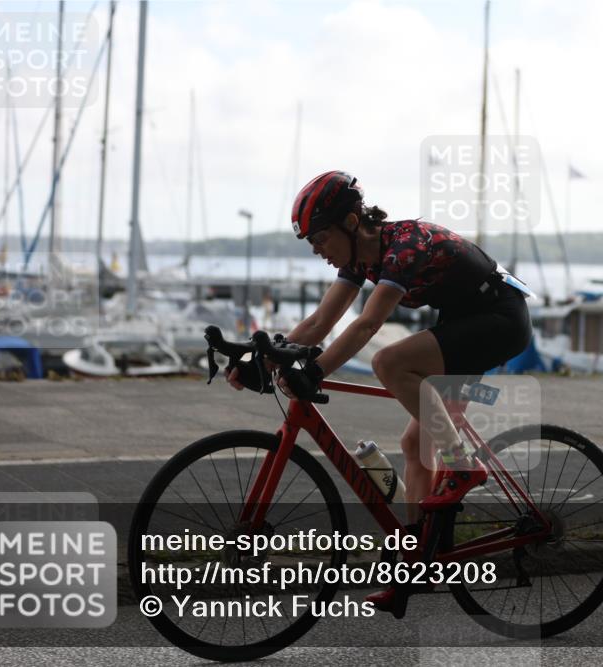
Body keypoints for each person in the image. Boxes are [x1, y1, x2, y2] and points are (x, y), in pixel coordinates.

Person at [227, 170, 532, 608]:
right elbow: (318, 324)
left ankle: (464, 468)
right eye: (311, 243)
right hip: (463, 322)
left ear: (352, 223)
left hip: (499, 319)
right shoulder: (357, 259)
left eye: (321, 238)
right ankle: (416, 562)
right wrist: (264, 358)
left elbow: (369, 323)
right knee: (415, 445)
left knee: (389, 361)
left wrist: (314, 372)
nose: (318, 251)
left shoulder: (405, 246)